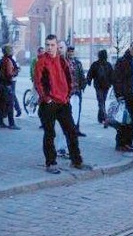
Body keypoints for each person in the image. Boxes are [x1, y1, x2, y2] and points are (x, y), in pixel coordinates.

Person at [33, 34, 91, 174]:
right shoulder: (41, 62)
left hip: (63, 102)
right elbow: (38, 82)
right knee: (49, 134)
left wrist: (67, 95)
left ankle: (76, 161)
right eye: (47, 45)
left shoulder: (62, 61)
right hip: (49, 104)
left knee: (71, 132)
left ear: (56, 46)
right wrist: (47, 99)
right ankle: (51, 163)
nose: (50, 48)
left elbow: (68, 79)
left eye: (52, 45)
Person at [112, 41, 133, 152]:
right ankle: (120, 144)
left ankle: (129, 143)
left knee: (132, 121)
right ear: (129, 48)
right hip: (124, 96)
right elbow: (116, 79)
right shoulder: (122, 61)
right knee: (123, 120)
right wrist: (119, 95)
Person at [86, 49, 113, 126]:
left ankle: (100, 118)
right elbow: (90, 73)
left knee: (101, 102)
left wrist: (88, 81)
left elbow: (90, 73)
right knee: (101, 101)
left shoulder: (97, 64)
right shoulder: (107, 65)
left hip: (101, 86)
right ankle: (105, 118)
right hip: (102, 86)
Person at [0, 44, 20, 130]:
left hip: (0, 84)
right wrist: (15, 72)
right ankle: (11, 123)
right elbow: (10, 73)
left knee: (1, 103)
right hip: (6, 85)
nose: (13, 51)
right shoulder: (9, 60)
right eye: (12, 49)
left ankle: (0, 122)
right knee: (10, 104)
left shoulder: (1, 60)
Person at [65, 45, 87, 136]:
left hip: (77, 90)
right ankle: (69, 129)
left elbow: (82, 75)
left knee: (77, 110)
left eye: (72, 51)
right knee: (69, 111)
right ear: (67, 52)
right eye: (69, 51)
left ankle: (76, 129)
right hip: (68, 91)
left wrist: (83, 85)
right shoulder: (65, 62)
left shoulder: (78, 63)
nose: (71, 53)